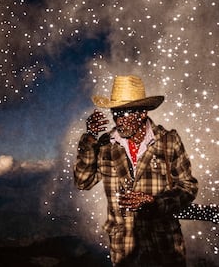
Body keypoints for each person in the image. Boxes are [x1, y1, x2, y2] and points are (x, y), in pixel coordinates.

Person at [74, 75, 198, 266]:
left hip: (164, 247)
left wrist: (154, 202)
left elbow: (188, 188)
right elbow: (82, 181)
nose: (118, 120)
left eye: (125, 113)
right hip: (125, 250)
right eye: (115, 113)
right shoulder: (105, 145)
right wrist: (90, 138)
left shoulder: (168, 141)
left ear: (142, 113)